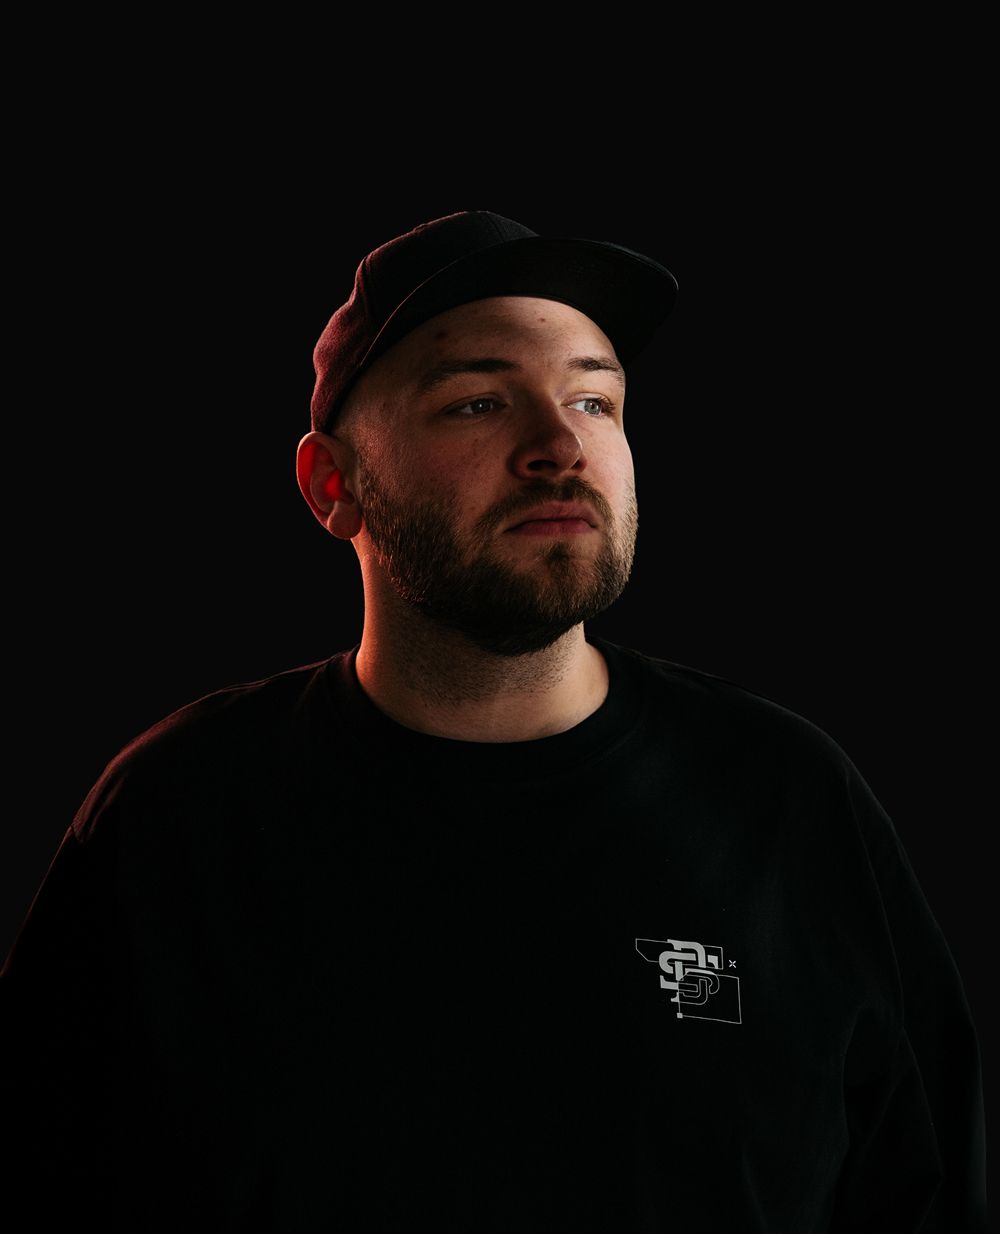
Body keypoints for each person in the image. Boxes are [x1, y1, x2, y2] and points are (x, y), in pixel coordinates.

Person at [1, 210, 986, 1232]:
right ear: (333, 485)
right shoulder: (176, 815)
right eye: (476, 402)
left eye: (594, 400)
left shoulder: (788, 799)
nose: (560, 446)